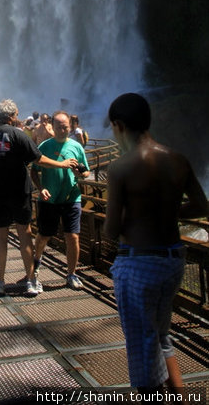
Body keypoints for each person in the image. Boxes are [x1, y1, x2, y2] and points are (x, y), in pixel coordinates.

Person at [104, 93, 208, 395]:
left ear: (119, 125)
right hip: (173, 260)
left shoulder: (120, 168)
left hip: (138, 263)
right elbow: (202, 207)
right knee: (161, 337)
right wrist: (168, 209)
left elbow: (110, 230)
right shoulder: (178, 160)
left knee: (141, 347)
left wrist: (136, 215)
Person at [0, 99, 81, 297]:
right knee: (25, 234)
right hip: (19, 192)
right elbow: (38, 159)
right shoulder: (17, 134)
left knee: (0, 236)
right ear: (13, 116)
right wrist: (63, 164)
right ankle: (31, 281)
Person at [31, 111, 90, 289]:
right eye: (59, 127)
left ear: (70, 127)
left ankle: (71, 274)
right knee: (43, 236)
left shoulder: (76, 147)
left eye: (65, 127)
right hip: (49, 200)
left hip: (72, 197)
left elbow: (86, 171)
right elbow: (34, 170)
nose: (62, 130)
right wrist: (41, 188)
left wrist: (81, 173)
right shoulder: (44, 146)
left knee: (72, 236)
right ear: (52, 127)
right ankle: (36, 262)